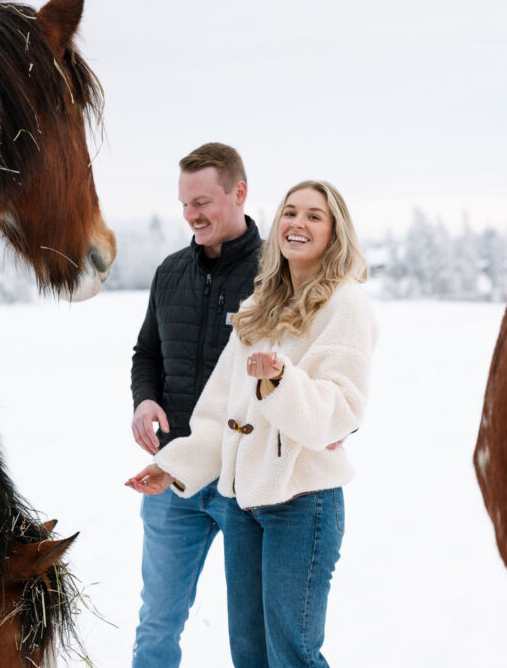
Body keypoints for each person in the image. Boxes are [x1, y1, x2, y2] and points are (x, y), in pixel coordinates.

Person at [127, 179, 376, 668]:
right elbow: (221, 414)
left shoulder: (345, 307)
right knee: (250, 655)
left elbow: (339, 412)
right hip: (242, 502)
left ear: (334, 232)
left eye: (313, 216)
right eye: (290, 212)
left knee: (292, 656)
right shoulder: (259, 308)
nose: (297, 224)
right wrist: (173, 465)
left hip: (301, 503)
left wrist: (280, 381)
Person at [130, 142, 264, 666]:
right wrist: (144, 401)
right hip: (173, 476)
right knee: (157, 625)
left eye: (203, 201)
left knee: (253, 634)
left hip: (246, 481)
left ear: (239, 192)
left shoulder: (278, 274)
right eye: (185, 203)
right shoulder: (169, 272)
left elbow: (319, 358)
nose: (192, 214)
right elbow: (148, 352)